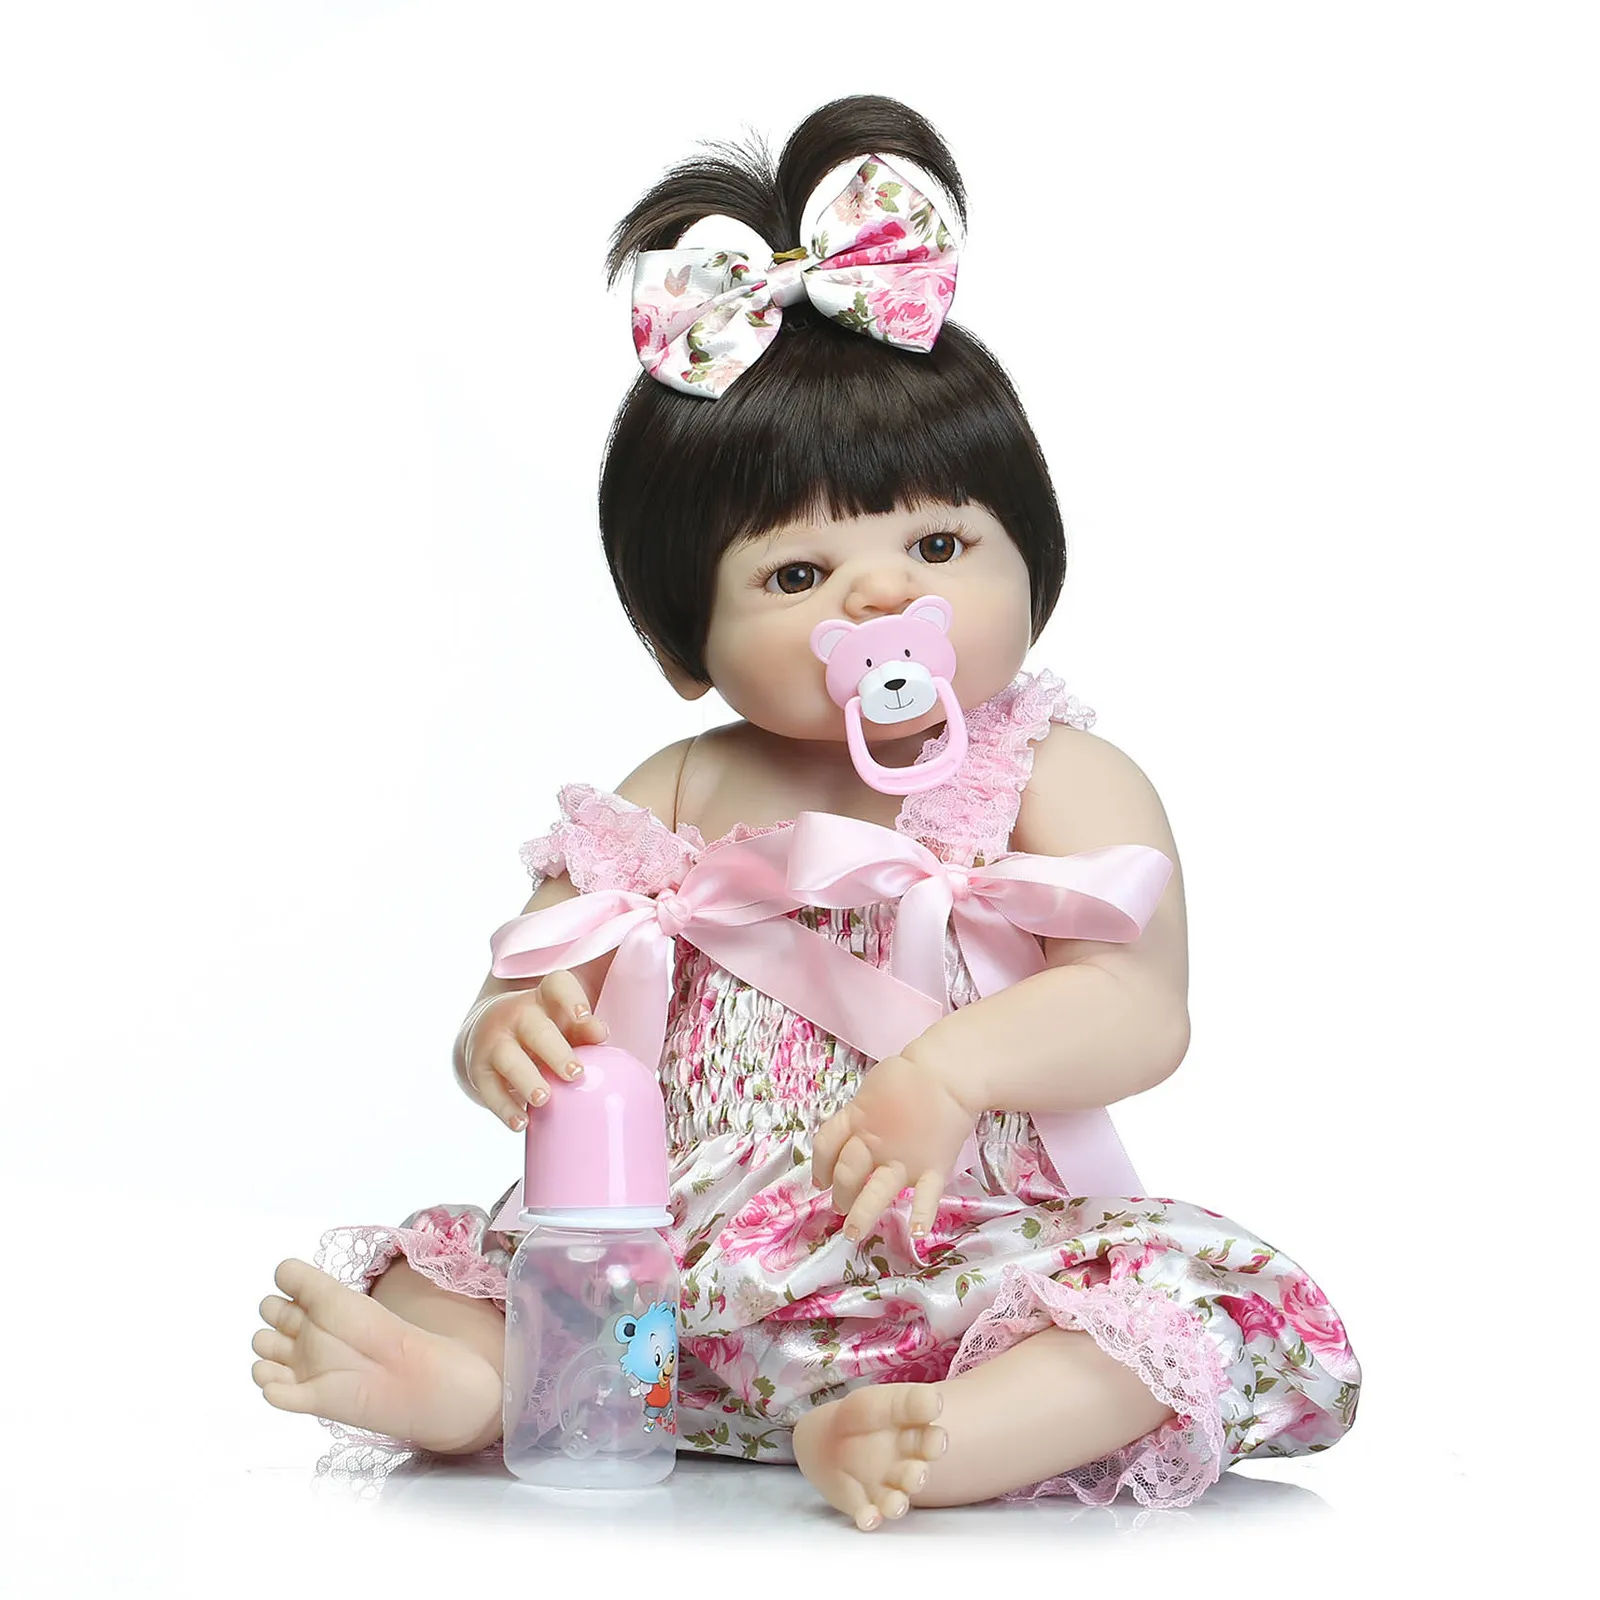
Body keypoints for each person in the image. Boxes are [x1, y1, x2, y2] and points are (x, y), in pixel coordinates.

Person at [250, 93, 1360, 1531]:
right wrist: (503, 1031)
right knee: (457, 1265)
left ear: (1035, 563)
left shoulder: (1052, 773)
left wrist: (949, 1073)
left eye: (939, 542)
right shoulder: (682, 786)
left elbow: (1138, 1010)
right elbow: (539, 963)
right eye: (796, 576)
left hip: (950, 1261)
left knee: (1186, 1300)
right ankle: (470, 1378)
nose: (883, 596)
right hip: (665, 1281)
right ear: (682, 644)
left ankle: (938, 1430)